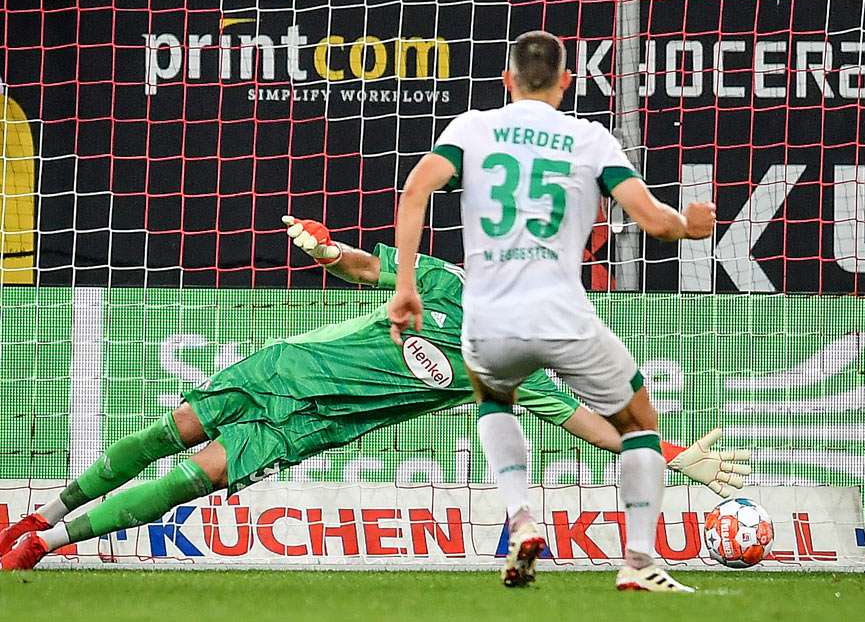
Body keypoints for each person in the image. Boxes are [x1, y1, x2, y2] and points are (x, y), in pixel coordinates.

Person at [0, 215, 749, 570]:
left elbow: (587, 420)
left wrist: (667, 454)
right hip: (284, 368)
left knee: (185, 481)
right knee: (167, 432)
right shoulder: (444, 282)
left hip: (306, 427)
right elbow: (366, 270)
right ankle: (46, 509)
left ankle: (42, 545)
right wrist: (328, 250)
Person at [388, 31, 716, 592]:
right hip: (562, 316)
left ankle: (520, 517)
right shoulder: (589, 139)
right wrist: (691, 224)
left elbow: (416, 188)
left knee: (493, 395)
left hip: (488, 322)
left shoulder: (470, 129)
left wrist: (406, 286)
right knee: (639, 424)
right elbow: (654, 221)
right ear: (567, 82)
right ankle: (638, 559)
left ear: (506, 79)